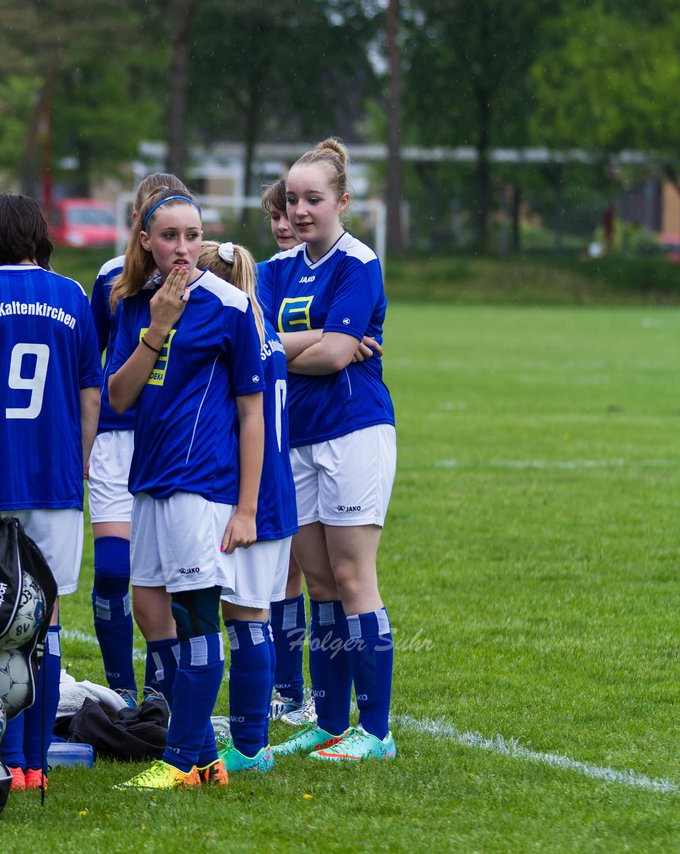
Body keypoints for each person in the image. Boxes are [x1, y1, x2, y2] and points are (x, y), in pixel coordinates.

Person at [0, 193, 101, 791]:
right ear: (40, 238)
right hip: (55, 481)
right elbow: (91, 393)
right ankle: (36, 760)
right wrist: (77, 461)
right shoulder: (73, 296)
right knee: (47, 617)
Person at [106, 188, 264, 790]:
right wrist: (157, 328)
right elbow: (119, 396)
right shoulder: (132, 303)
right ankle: (203, 757)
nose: (182, 249)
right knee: (160, 612)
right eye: (169, 237)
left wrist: (246, 507)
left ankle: (180, 763)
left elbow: (253, 413)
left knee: (199, 614)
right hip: (147, 480)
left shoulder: (229, 305)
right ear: (146, 241)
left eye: (193, 236)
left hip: (200, 483)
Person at [261, 138, 397, 762]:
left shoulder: (359, 263)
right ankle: (331, 722)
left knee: (351, 576)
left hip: (353, 430)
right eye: (293, 199)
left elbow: (339, 356)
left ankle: (376, 732)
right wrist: (315, 341)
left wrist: (293, 349)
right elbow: (255, 347)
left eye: (314, 198)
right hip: (298, 437)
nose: (300, 210)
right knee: (318, 581)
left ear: (342, 201)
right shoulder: (277, 268)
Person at [88, 173, 189, 706]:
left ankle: (158, 695)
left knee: (162, 574)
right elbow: (90, 364)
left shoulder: (202, 280)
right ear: (139, 227)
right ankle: (119, 689)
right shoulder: (110, 279)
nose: (175, 243)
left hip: (169, 438)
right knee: (112, 569)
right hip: (114, 437)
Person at [195, 240, 295, 775]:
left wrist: (244, 506)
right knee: (245, 612)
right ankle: (247, 735)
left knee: (247, 614)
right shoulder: (267, 333)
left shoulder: (231, 338)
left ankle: (253, 745)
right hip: (275, 493)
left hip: (250, 497)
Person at [258, 178, 315, 727]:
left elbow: (267, 343)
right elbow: (261, 335)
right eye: (274, 216)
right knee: (283, 569)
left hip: (316, 424)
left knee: (306, 566)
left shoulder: (326, 267)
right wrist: (320, 336)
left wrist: (275, 347)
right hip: (275, 432)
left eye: (287, 213)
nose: (281, 224)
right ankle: (287, 687)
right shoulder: (269, 273)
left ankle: (299, 688)